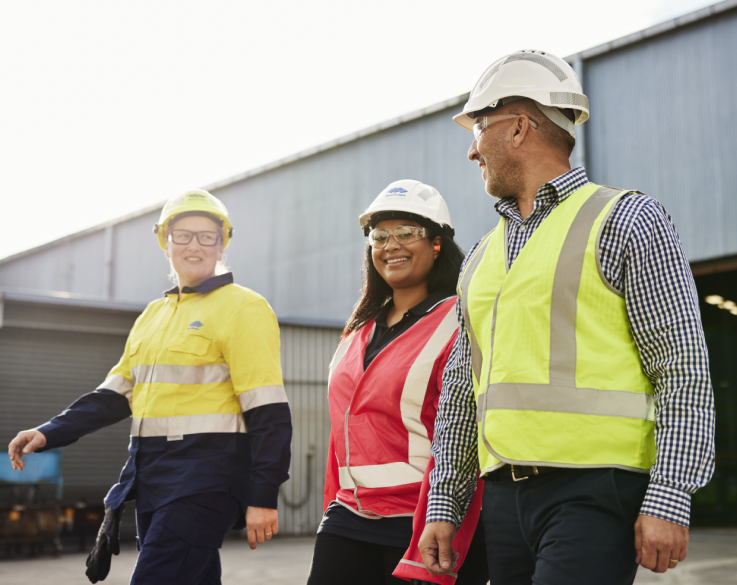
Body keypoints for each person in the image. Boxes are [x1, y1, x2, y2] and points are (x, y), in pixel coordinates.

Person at [418, 50, 716, 584]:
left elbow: (682, 367)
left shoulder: (628, 220)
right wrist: (445, 501)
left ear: (518, 127)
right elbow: (464, 388)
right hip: (504, 497)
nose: (471, 150)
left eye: (478, 127)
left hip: (596, 489)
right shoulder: (482, 257)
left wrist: (670, 495)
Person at [8, 189, 292, 584]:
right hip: (153, 478)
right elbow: (114, 395)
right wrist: (48, 432)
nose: (194, 246)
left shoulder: (244, 308)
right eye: (183, 235)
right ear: (166, 243)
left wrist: (264, 495)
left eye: (206, 236)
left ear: (222, 243)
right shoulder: (152, 316)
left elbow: (269, 411)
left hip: (207, 480)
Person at [306, 180, 488, 585]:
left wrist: (447, 517)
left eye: (407, 233)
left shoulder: (461, 318)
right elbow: (343, 435)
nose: (391, 245)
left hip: (425, 517)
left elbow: (464, 430)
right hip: (349, 515)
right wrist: (329, 508)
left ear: (437, 243)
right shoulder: (359, 330)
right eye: (380, 235)